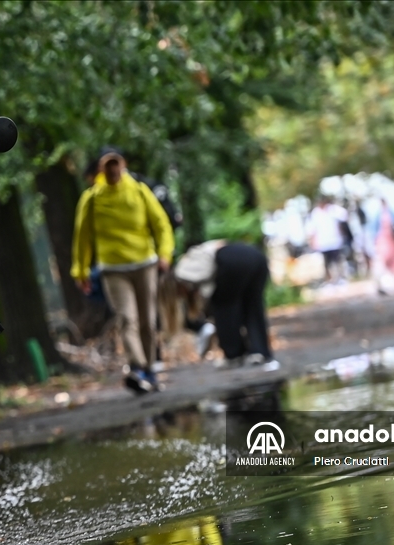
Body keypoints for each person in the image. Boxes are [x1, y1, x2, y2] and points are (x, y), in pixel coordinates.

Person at [71, 149, 175, 394]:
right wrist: (80, 270)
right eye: (108, 166)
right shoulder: (92, 198)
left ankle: (149, 368)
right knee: (127, 319)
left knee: (147, 321)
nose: (113, 170)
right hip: (113, 269)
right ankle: (137, 367)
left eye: (116, 164)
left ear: (123, 166)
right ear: (101, 170)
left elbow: (161, 223)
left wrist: (165, 254)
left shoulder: (139, 190)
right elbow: (82, 237)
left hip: (145, 264)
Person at [170, 240, 279, 370]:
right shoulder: (206, 250)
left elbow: (203, 283)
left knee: (224, 307)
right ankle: (260, 352)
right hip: (257, 257)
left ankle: (233, 354)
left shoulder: (182, 271)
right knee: (253, 306)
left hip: (231, 261)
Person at [305, 196, 346, 284]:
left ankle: (340, 278)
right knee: (326, 264)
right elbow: (311, 229)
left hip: (335, 241)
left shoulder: (333, 209)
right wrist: (313, 242)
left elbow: (344, 215)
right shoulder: (315, 213)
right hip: (323, 243)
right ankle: (330, 281)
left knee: (337, 261)